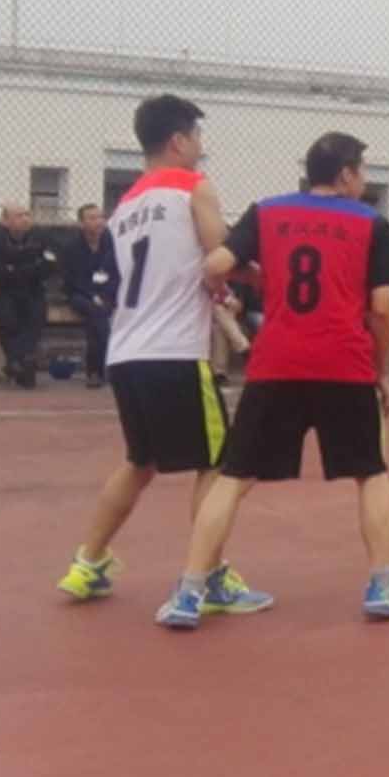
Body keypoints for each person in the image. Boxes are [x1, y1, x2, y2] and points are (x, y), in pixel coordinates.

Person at [162, 131, 389, 628]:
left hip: (276, 363)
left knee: (233, 478)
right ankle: (383, 587)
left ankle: (189, 592)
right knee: (370, 473)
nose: (364, 181)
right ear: (345, 174)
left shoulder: (267, 211)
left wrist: (242, 285)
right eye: (362, 171)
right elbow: (383, 309)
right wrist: (382, 371)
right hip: (344, 363)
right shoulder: (370, 223)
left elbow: (215, 265)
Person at [53, 94, 254, 612]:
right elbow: (221, 258)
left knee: (140, 462)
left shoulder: (125, 206)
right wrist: (257, 274)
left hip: (126, 351)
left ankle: (87, 562)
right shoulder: (192, 187)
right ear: (178, 141)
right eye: (198, 137)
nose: (201, 147)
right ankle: (208, 576)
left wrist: (212, 290)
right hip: (176, 351)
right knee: (218, 463)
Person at [0, 204, 59, 389]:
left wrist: (15, 269)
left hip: (33, 289)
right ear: (5, 221)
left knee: (37, 317)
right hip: (3, 290)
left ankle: (16, 362)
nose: (25, 219)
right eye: (18, 215)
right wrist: (28, 269)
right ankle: (23, 361)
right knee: (7, 319)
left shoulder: (42, 238)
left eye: (27, 215)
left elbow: (50, 265)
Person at [64, 202, 117, 390]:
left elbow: (116, 274)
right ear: (81, 223)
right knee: (97, 313)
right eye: (92, 218)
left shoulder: (112, 243)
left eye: (101, 217)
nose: (99, 222)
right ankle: (100, 369)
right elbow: (73, 281)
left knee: (97, 316)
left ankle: (95, 372)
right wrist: (93, 296)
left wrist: (105, 295)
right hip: (80, 295)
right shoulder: (72, 246)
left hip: (107, 295)